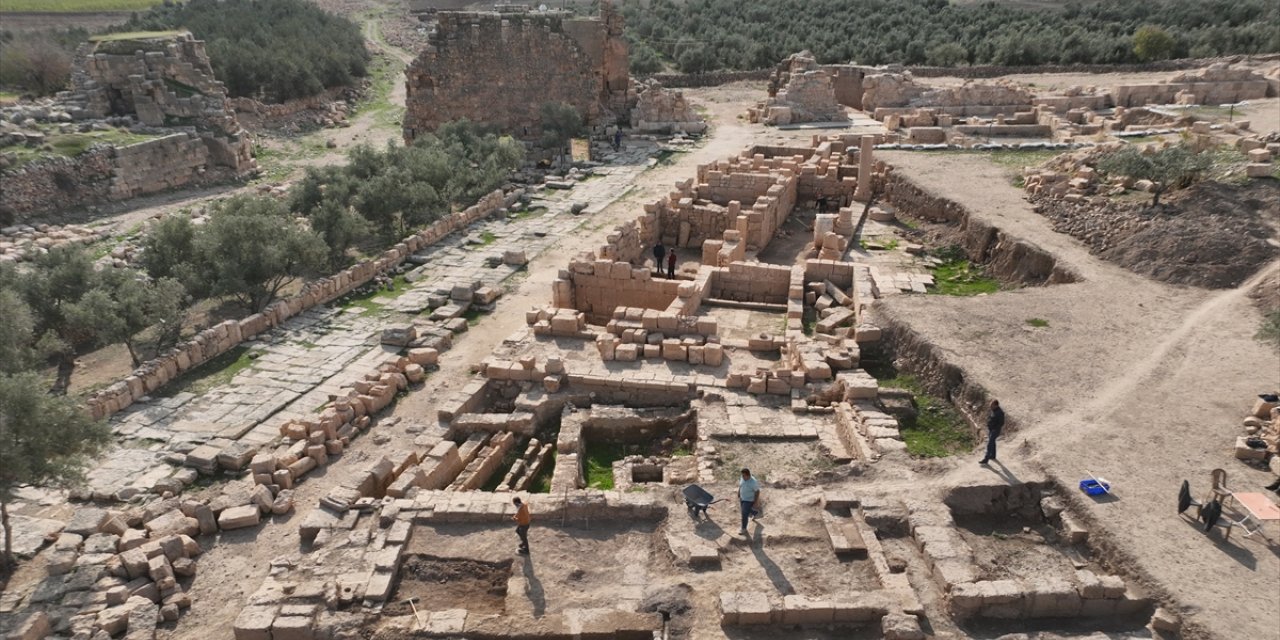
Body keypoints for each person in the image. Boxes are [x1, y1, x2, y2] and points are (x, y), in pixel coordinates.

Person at [979, 399, 1005, 465]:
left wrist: (995, 428)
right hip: (991, 429)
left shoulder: (1000, 413)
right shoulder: (994, 410)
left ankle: (986, 459)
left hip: (995, 430)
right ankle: (993, 455)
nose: (990, 406)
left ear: (996, 405)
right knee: (992, 442)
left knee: (989, 443)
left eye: (992, 405)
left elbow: (1001, 423)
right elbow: (991, 418)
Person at [737, 468, 761, 535]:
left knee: (744, 513)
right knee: (746, 510)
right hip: (742, 498)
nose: (742, 477)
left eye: (744, 476)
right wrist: (739, 492)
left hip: (749, 500)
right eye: (742, 475)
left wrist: (755, 502)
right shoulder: (742, 477)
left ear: (748, 475)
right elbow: (740, 485)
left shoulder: (753, 482)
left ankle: (743, 528)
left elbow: (757, 491)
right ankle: (755, 513)